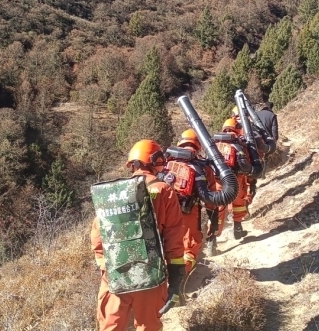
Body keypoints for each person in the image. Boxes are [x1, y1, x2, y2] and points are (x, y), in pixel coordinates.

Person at [90, 140, 185, 331]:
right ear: (155, 162)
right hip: (150, 275)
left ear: (132, 165)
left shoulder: (113, 194)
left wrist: (107, 269)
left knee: (110, 327)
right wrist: (175, 280)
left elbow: (98, 237)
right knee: (148, 326)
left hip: (116, 275)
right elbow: (174, 238)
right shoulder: (164, 190)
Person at [167, 129, 222, 268]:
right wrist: (213, 220)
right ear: (198, 144)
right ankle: (183, 275)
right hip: (188, 212)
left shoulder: (167, 163)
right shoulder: (203, 167)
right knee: (190, 248)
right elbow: (210, 198)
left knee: (168, 245)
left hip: (165, 211)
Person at [219, 118, 257, 239]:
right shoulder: (239, 143)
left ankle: (212, 238)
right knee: (239, 203)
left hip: (218, 179)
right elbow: (246, 163)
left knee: (217, 207)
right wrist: (251, 178)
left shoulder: (216, 143)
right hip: (236, 178)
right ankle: (237, 228)